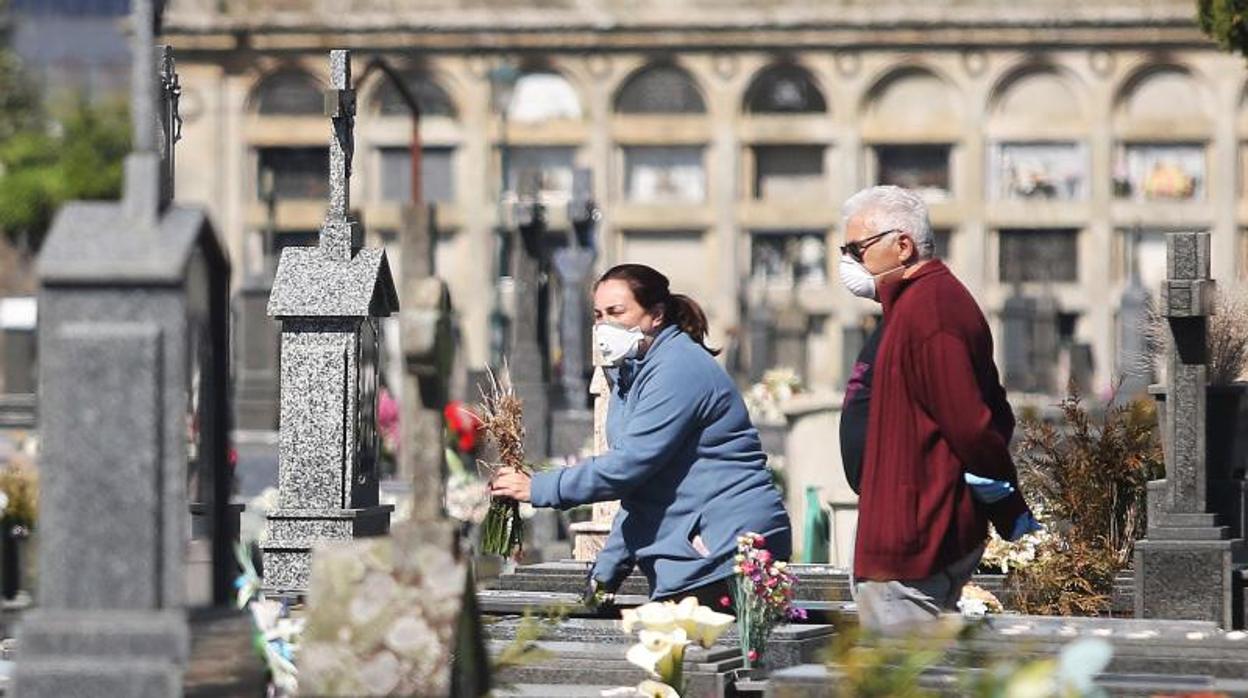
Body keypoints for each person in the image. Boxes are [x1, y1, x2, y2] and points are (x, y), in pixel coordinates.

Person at [490, 263, 792, 607]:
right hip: (698, 547)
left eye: (617, 312)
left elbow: (628, 465)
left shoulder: (678, 368)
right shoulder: (632, 375)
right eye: (599, 315)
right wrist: (607, 573)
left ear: (656, 315)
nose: (605, 325)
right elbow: (644, 490)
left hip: (726, 546)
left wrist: (538, 487)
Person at [837, 185, 1040, 635]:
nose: (850, 262)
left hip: (914, 538)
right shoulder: (913, 305)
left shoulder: (932, 311)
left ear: (903, 246)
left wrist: (1007, 505)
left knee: (904, 667)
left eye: (857, 249)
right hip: (904, 529)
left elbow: (971, 424)